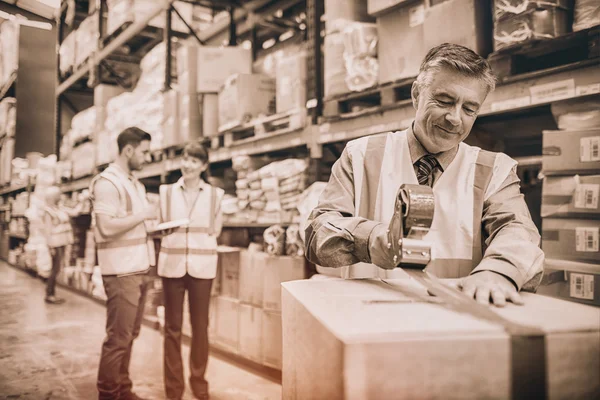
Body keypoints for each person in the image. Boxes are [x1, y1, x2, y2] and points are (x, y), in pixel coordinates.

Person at [304, 43, 544, 307]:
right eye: (444, 101)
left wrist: (498, 271)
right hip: (372, 319)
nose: (455, 118)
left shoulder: (494, 171)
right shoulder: (360, 155)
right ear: (417, 94)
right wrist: (372, 239)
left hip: (456, 322)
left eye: (469, 109)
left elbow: (517, 230)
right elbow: (319, 233)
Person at [90, 127, 159, 400]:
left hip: (139, 268)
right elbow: (106, 227)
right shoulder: (107, 183)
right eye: (144, 151)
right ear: (128, 150)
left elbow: (134, 225)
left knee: (130, 334)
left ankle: (123, 389)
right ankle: (108, 394)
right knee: (118, 338)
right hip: (121, 272)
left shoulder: (134, 183)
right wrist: (143, 215)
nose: (147, 157)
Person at [157, 142, 224, 400]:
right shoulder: (165, 193)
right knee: (172, 328)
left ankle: (198, 381)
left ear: (204, 166)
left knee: (200, 327)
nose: (188, 164)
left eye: (195, 161)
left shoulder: (215, 196)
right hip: (172, 267)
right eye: (185, 158)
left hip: (202, 267)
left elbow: (215, 230)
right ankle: (174, 389)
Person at [43, 185, 80, 304]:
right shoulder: (48, 211)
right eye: (58, 195)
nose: (61, 197)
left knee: (57, 268)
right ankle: (49, 294)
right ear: (54, 197)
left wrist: (83, 200)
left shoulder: (60, 208)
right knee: (55, 269)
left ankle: (50, 293)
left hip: (62, 243)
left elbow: (75, 213)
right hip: (55, 244)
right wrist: (50, 247)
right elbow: (48, 231)